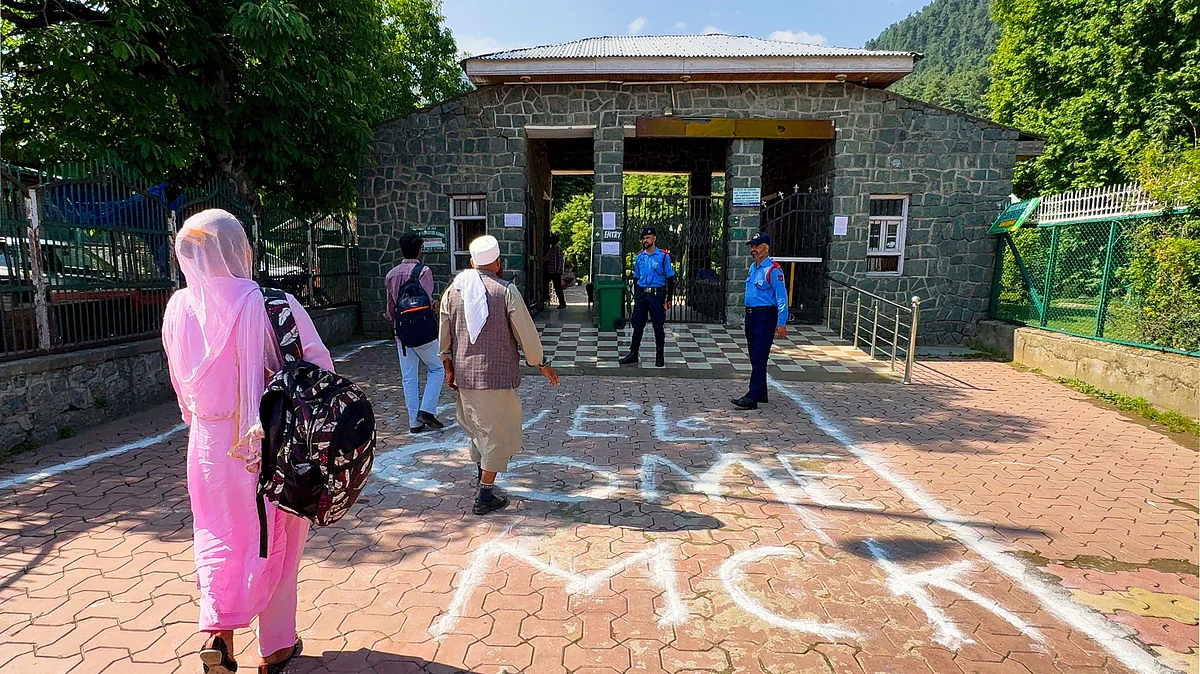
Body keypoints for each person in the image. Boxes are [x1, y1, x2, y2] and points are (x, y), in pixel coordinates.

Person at [162, 209, 330, 674]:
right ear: (239, 248)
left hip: (207, 449)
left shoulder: (179, 308)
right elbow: (319, 372)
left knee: (216, 538)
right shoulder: (272, 304)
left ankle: (218, 635)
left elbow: (181, 388)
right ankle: (275, 648)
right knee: (274, 539)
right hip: (267, 448)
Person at [439, 235, 560, 515]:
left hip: (465, 378)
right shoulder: (506, 291)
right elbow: (526, 334)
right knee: (498, 435)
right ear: (497, 262)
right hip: (496, 378)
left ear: (471, 262)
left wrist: (448, 369)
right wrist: (541, 363)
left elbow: (444, 336)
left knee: (479, 431)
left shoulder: (453, 291)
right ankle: (485, 495)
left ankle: (482, 476)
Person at [384, 232, 446, 434]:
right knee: (437, 368)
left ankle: (414, 422)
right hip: (423, 331)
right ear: (420, 250)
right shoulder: (423, 271)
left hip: (402, 332)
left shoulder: (391, 275)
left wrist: (395, 328)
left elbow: (390, 309)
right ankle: (427, 410)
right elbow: (426, 302)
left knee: (408, 377)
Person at [732, 232, 788, 410]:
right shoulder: (753, 268)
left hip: (765, 316)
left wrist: (781, 322)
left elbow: (781, 298)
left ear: (766, 248)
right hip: (751, 316)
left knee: (759, 356)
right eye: (752, 246)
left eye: (756, 246)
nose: (753, 250)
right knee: (754, 355)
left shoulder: (773, 270)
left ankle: (752, 396)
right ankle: (761, 391)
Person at [619, 226, 675, 368]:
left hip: (657, 294)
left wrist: (668, 299)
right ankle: (633, 354)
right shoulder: (639, 257)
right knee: (637, 325)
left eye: (648, 238)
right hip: (642, 294)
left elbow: (670, 278)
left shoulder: (663, 256)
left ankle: (659, 355)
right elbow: (636, 278)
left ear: (654, 238)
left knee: (658, 325)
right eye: (643, 238)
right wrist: (637, 296)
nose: (645, 240)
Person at [543, 233, 567, 308]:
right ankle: (548, 298)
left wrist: (539, 259)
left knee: (556, 287)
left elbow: (549, 258)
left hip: (554, 272)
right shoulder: (555, 249)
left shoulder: (555, 250)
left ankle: (561, 303)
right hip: (554, 271)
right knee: (553, 286)